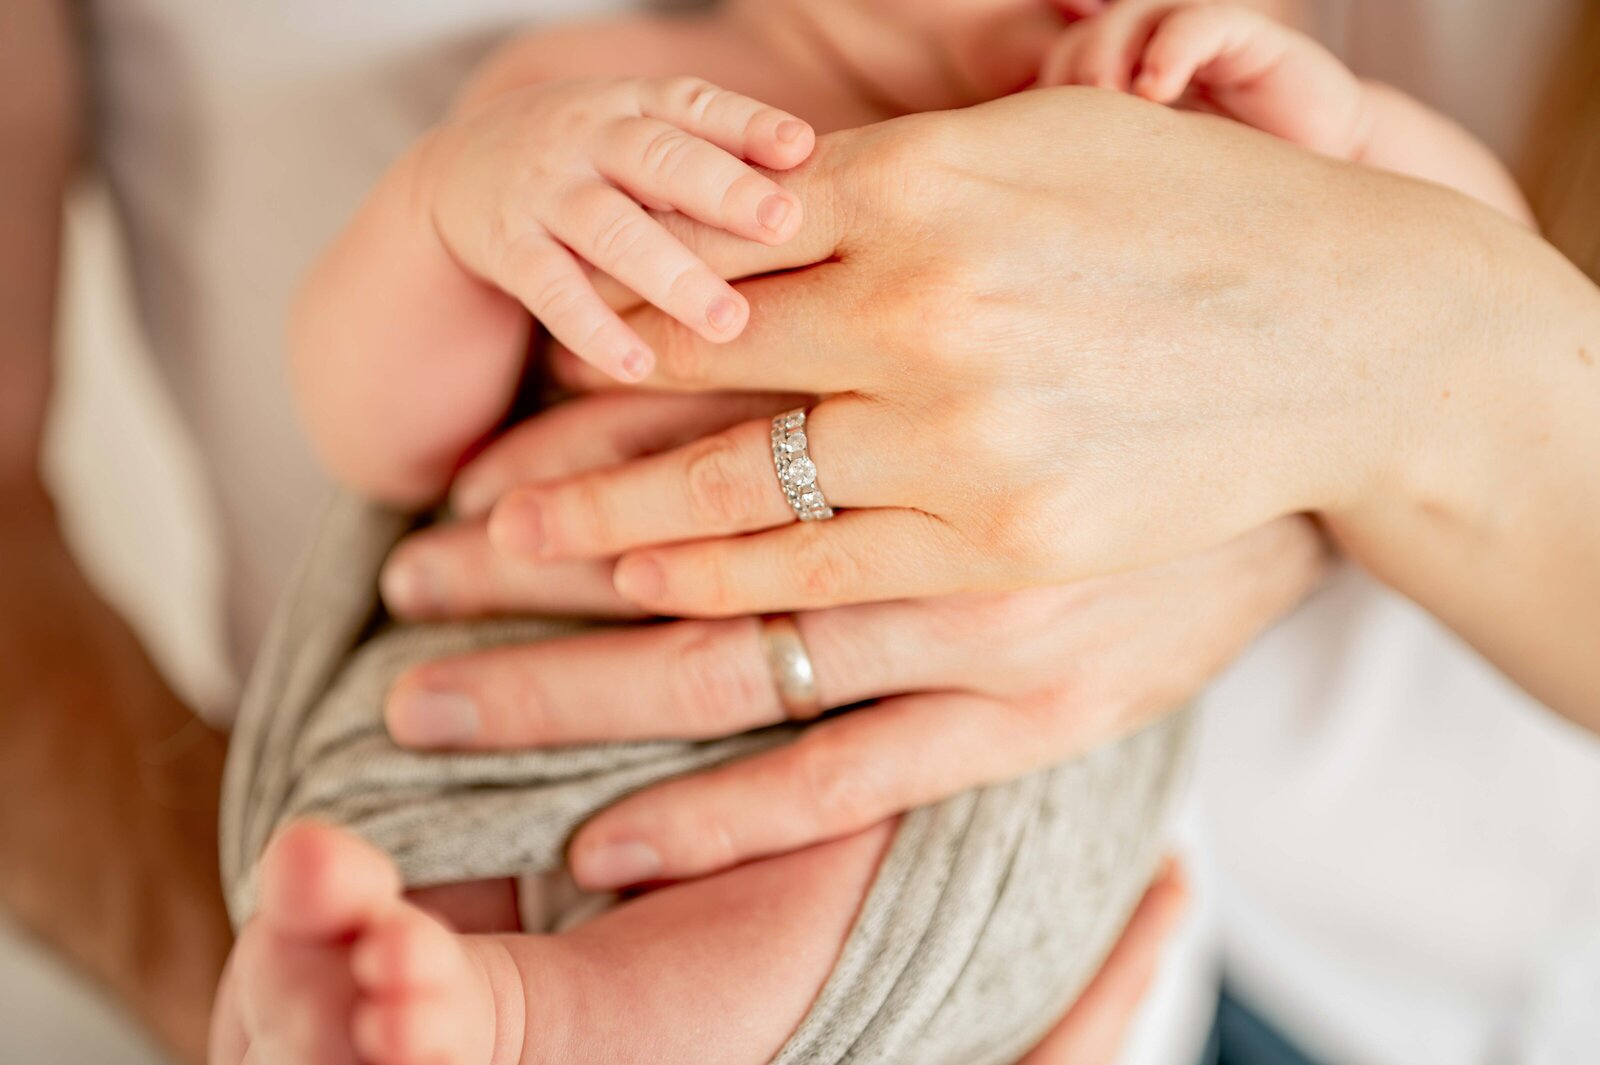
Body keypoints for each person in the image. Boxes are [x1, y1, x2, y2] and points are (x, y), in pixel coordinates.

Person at [1, 0, 1594, 1063]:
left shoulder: (1209, 135)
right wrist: (455, 207)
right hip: (514, 681)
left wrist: (1327, 142)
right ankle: (370, 991)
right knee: (404, 849)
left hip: (949, 794)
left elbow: (1459, 275)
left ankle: (524, 1019)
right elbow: (378, 431)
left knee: (816, 877)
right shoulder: (604, 89)